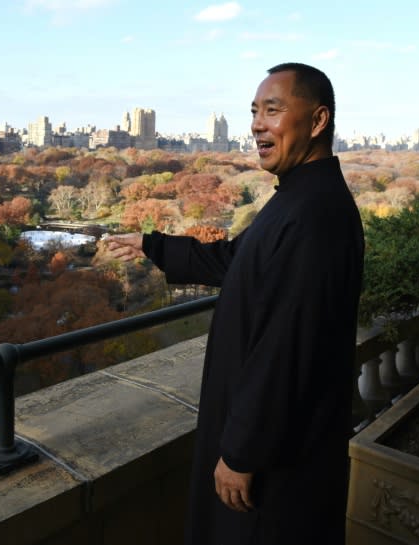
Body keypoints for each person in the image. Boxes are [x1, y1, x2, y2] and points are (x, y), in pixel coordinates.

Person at [106, 63, 364, 545]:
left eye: (273, 109)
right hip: (272, 444)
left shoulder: (315, 217)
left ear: (318, 120)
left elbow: (285, 350)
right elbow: (235, 259)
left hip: (276, 462)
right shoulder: (297, 199)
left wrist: (242, 453)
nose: (257, 125)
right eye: (253, 112)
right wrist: (152, 245)